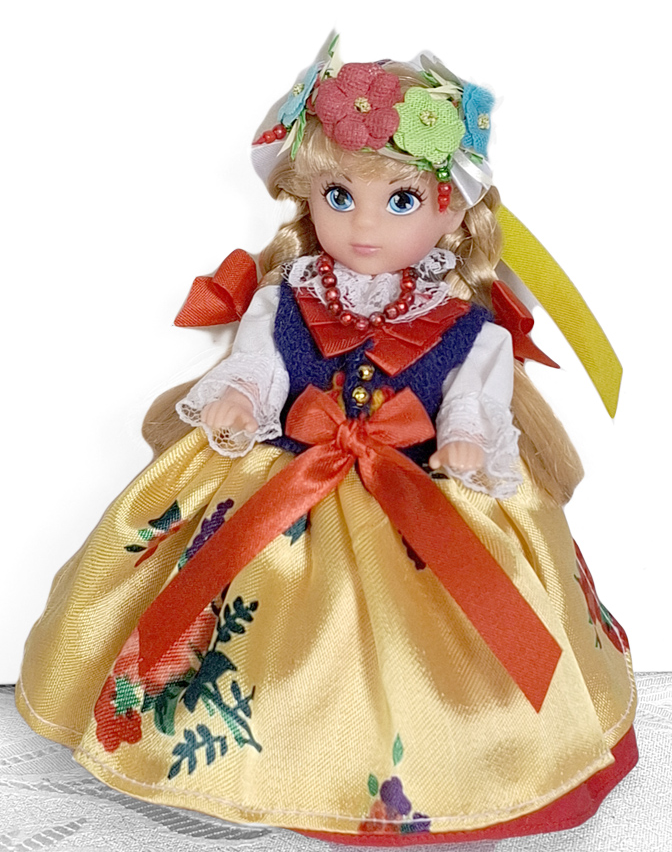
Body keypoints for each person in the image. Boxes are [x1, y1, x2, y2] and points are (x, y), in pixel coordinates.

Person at [16, 41, 637, 845]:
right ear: (308, 199)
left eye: (401, 201)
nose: (364, 224)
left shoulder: (467, 328)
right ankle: (262, 763)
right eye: (339, 196)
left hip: (418, 488)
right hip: (286, 478)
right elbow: (257, 371)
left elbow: (474, 405)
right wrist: (239, 400)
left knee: (429, 639)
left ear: (454, 212)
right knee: (260, 620)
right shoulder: (284, 303)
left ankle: (458, 767)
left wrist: (465, 445)